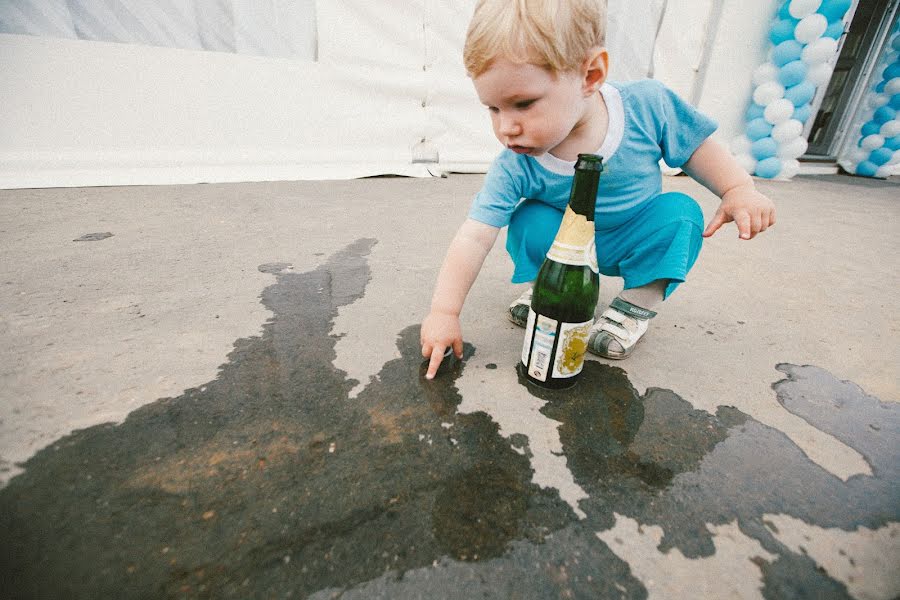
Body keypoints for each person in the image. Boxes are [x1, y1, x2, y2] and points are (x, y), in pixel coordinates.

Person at [420, 0, 776, 379]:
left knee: (680, 214)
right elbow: (475, 237)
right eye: (493, 108)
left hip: (631, 234)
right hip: (564, 248)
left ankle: (632, 307)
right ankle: (547, 290)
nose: (506, 127)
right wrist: (444, 312)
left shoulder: (646, 105)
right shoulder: (515, 163)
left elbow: (696, 148)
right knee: (528, 218)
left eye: (522, 104)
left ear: (590, 75)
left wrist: (737, 188)